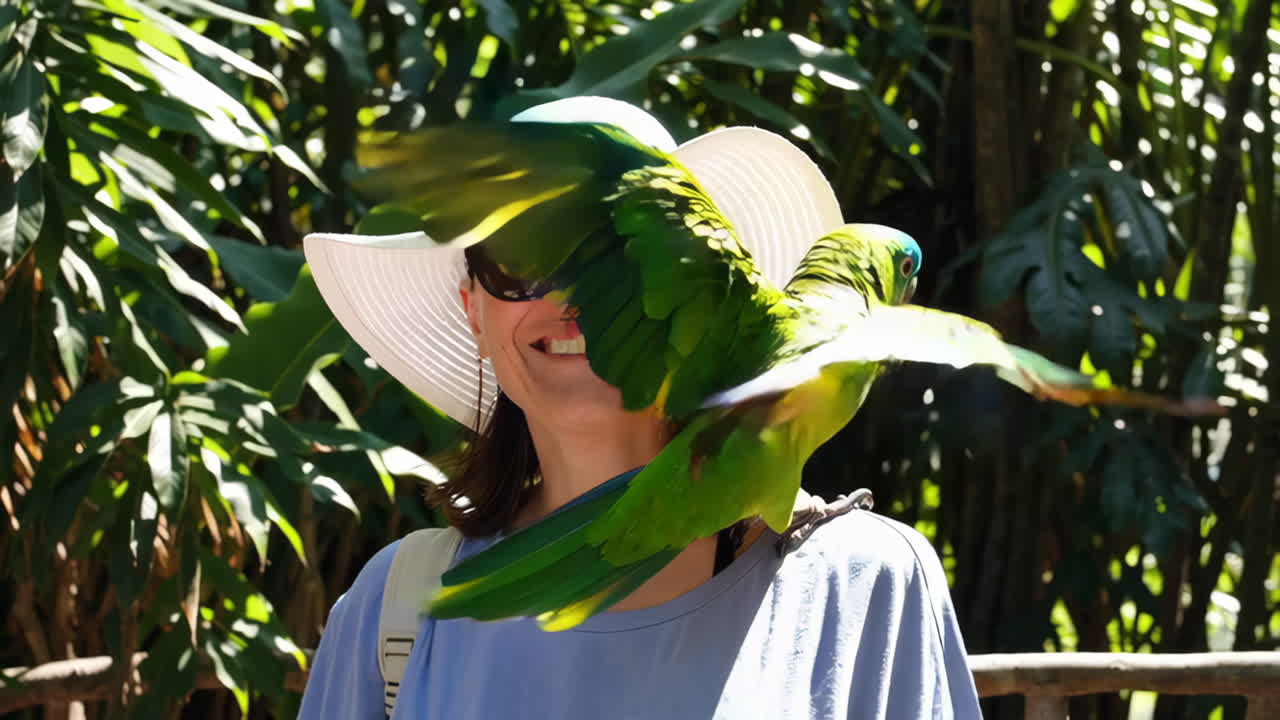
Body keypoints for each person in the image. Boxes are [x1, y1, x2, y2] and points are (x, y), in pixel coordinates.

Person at [297, 96, 982, 719]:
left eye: (614, 261)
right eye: (520, 260)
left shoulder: (866, 588)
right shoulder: (397, 611)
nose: (574, 300)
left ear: (705, 292)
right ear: (472, 310)